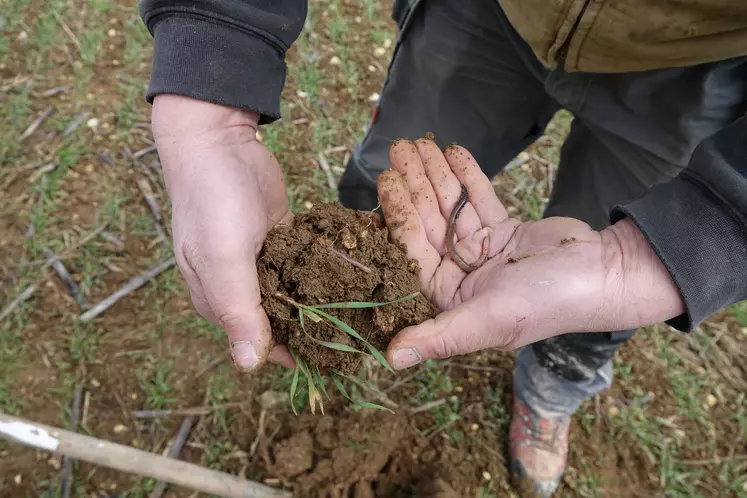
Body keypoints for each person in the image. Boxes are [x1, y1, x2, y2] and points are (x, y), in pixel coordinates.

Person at [139, 0, 747, 496]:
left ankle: (558, 377)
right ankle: (346, 282)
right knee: (395, 194)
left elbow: (644, 258)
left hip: (700, 58)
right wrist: (207, 111)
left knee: (600, 281)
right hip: (490, 14)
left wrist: (695, 235)